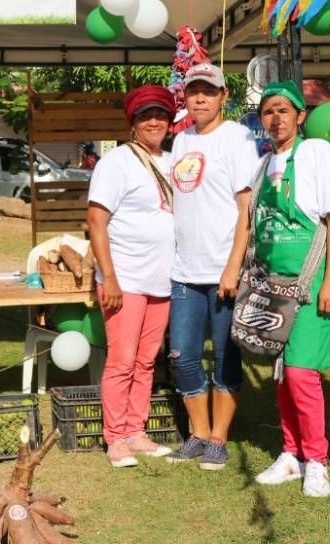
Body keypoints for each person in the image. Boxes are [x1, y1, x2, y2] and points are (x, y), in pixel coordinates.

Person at [247, 82, 330, 497]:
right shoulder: (264, 163)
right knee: (280, 377)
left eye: (284, 110)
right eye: (268, 111)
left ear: (300, 116)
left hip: (308, 283)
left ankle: (317, 461)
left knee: (301, 374)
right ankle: (290, 454)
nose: (276, 118)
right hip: (272, 285)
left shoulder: (315, 153)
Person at [163, 63, 261, 471]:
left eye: (209, 91)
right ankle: (198, 433)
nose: (200, 98)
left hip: (223, 269)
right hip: (184, 270)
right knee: (182, 355)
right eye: (193, 91)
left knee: (225, 357)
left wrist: (233, 266)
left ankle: (219, 437)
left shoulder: (237, 138)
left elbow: (246, 208)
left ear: (224, 96)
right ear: (184, 97)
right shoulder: (180, 141)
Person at [86, 85, 177, 468]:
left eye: (160, 115)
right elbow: (96, 220)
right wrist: (110, 277)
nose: (153, 121)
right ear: (132, 123)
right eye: (145, 116)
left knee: (146, 361)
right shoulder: (117, 163)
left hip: (163, 279)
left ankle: (136, 431)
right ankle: (115, 437)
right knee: (122, 360)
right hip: (125, 277)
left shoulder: (174, 161)